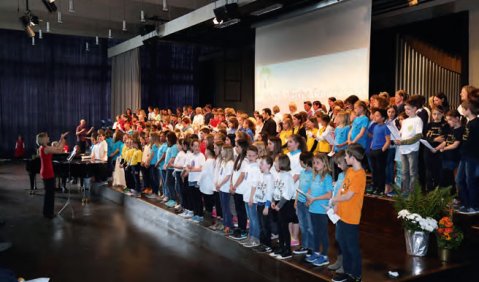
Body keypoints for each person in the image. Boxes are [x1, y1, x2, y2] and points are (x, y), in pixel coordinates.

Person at [331, 144, 366, 282]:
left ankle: (356, 274)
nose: (345, 158)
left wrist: (333, 199)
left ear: (352, 157)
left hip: (351, 217)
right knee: (342, 243)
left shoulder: (360, 175)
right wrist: (336, 205)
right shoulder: (350, 171)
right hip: (341, 214)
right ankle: (347, 270)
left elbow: (348, 196)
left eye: (346, 155)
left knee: (352, 247)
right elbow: (342, 190)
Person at [305, 153, 333, 267]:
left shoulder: (327, 177)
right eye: (314, 163)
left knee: (323, 233)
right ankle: (316, 252)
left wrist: (315, 198)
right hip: (313, 209)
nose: (315, 165)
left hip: (321, 210)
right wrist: (308, 198)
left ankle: (325, 256)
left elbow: (329, 194)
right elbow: (311, 190)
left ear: (324, 164)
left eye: (318, 163)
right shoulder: (315, 176)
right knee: (315, 232)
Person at [36, 131, 69, 218]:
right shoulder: (45, 149)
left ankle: (47, 212)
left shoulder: (44, 147)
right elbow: (59, 149)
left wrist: (61, 138)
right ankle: (48, 213)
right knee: (49, 194)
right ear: (43, 139)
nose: (48, 138)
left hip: (46, 171)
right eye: (47, 137)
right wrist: (63, 139)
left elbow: (57, 147)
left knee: (49, 194)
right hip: (47, 172)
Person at [270, 154, 296, 260]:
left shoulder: (287, 176)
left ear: (282, 164)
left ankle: (288, 250)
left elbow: (287, 194)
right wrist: (272, 201)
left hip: (285, 204)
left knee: (284, 227)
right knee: (280, 227)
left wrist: (279, 205)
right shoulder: (278, 175)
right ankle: (281, 247)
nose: (274, 163)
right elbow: (274, 189)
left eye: (276, 161)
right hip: (277, 203)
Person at [395, 98, 423, 196]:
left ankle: (413, 194)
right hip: (403, 150)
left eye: (409, 109)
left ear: (415, 108)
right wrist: (396, 138)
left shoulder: (418, 120)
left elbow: (418, 136)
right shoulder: (405, 121)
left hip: (412, 150)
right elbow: (400, 134)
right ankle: (405, 191)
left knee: (413, 173)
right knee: (404, 172)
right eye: (405, 109)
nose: (406, 111)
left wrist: (404, 142)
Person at [455, 100, 479, 214]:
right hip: (465, 156)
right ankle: (466, 203)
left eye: (463, 109)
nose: (462, 111)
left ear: (468, 110)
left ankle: (474, 206)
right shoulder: (468, 123)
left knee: (471, 181)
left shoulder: (476, 123)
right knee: (459, 179)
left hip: (473, 157)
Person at [328, 150, 349, 274]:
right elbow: (337, 190)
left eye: (340, 163)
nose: (338, 166)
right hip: (336, 210)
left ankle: (345, 263)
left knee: (344, 238)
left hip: (344, 210)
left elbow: (346, 194)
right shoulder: (341, 175)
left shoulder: (350, 175)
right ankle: (339, 260)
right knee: (338, 238)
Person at [292, 152, 314, 256]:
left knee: (310, 226)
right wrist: (296, 200)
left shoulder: (314, 174)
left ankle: (311, 247)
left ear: (303, 162)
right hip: (300, 202)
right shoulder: (302, 172)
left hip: (308, 203)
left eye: (300, 161)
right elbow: (299, 188)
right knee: (302, 225)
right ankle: (305, 245)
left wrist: (308, 200)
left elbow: (313, 188)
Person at [242, 145, 262, 248]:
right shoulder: (247, 166)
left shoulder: (256, 168)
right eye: (248, 155)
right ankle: (250, 236)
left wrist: (251, 198)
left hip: (252, 197)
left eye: (252, 156)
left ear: (257, 156)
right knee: (250, 218)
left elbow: (255, 184)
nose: (250, 157)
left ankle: (256, 238)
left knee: (254, 218)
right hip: (246, 195)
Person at [254, 156, 275, 253]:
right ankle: (262, 243)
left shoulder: (270, 178)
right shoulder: (261, 175)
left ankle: (268, 245)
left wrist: (267, 206)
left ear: (268, 165)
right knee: (261, 225)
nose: (260, 165)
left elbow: (269, 193)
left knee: (266, 225)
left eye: (262, 163)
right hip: (259, 203)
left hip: (265, 205)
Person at [230, 139, 249, 240]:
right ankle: (240, 227)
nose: (236, 148)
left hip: (241, 189)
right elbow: (234, 172)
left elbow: (242, 175)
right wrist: (231, 185)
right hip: (236, 189)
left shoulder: (245, 160)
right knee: (238, 209)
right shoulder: (238, 158)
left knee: (242, 211)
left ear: (242, 148)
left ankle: (243, 229)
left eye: (237, 146)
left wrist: (235, 186)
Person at [368, 108, 391, 195]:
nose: (375, 117)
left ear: (383, 118)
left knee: (380, 170)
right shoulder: (375, 126)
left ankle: (381, 188)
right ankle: (375, 186)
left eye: (377, 116)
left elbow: (388, 141)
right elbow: (374, 138)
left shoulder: (385, 127)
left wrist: (382, 150)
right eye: (375, 115)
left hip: (380, 151)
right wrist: (371, 147)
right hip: (373, 150)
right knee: (374, 171)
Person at [216, 144, 235, 235]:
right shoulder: (224, 161)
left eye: (223, 150)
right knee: (223, 206)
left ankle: (229, 225)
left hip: (226, 188)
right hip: (221, 187)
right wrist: (217, 183)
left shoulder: (230, 163)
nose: (221, 152)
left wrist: (220, 184)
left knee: (226, 207)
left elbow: (228, 176)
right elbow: (221, 174)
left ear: (227, 152)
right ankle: (225, 223)